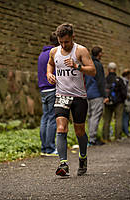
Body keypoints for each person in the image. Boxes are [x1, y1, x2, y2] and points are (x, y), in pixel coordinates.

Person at [47, 23, 96, 176]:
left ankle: (83, 157)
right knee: (61, 128)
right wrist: (49, 74)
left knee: (79, 131)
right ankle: (63, 164)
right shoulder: (54, 52)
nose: (63, 45)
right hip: (61, 95)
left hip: (79, 97)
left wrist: (77, 66)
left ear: (73, 37)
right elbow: (50, 64)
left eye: (66, 42)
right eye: (61, 42)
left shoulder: (81, 51)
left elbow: (93, 71)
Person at [38, 32, 59, 156]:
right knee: (52, 118)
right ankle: (50, 148)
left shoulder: (41, 54)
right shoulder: (54, 53)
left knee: (45, 118)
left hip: (43, 90)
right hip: (52, 88)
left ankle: (44, 148)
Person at [85, 46, 108, 146]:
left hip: (88, 93)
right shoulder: (97, 65)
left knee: (90, 116)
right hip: (97, 94)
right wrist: (105, 95)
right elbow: (100, 81)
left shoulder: (88, 64)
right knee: (95, 116)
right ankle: (92, 139)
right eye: (101, 53)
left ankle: (90, 137)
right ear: (99, 54)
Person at [102, 62, 127, 142]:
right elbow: (124, 92)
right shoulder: (119, 80)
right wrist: (122, 100)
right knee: (118, 119)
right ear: (115, 69)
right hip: (118, 103)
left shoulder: (105, 79)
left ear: (108, 70)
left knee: (107, 120)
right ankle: (117, 137)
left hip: (107, 102)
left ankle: (106, 137)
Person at [121, 69, 130, 137]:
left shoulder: (123, 81)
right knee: (125, 117)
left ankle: (125, 130)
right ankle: (126, 131)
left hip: (124, 101)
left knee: (125, 116)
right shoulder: (125, 82)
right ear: (127, 75)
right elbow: (127, 93)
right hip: (126, 102)